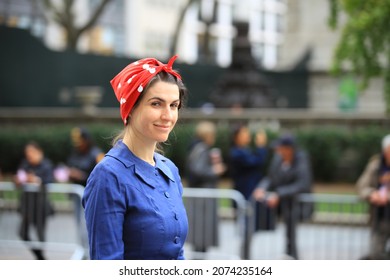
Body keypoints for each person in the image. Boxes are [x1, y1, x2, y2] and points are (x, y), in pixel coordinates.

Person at [82, 55, 189, 260]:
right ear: (130, 108)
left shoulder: (170, 170)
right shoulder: (108, 176)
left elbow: (177, 253)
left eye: (174, 105)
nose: (168, 116)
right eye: (156, 104)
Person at [253, 134, 312, 259]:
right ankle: (288, 256)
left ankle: (293, 258)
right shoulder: (278, 159)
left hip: (295, 204)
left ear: (289, 149)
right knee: (286, 235)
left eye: (280, 148)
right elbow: (270, 177)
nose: (278, 151)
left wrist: (279, 193)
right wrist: (261, 188)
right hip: (282, 205)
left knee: (291, 236)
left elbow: (303, 184)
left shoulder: (301, 160)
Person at [185, 121, 226, 254]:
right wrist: (215, 171)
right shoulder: (201, 149)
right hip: (203, 199)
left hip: (200, 196)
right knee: (202, 233)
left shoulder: (195, 147)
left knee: (200, 234)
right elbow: (199, 170)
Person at [14, 141, 54, 260]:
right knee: (22, 233)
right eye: (27, 153)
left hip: (40, 205)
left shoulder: (46, 164)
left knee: (40, 234)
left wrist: (35, 180)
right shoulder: (25, 164)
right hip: (27, 205)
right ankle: (40, 257)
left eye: (31, 152)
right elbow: (19, 178)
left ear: (39, 152)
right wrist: (17, 180)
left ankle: (41, 258)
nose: (29, 155)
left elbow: (48, 181)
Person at [356, 134, 390, 259]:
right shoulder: (375, 165)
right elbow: (361, 186)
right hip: (379, 218)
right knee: (375, 253)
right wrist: (372, 193)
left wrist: (387, 197)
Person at [230, 124, 268, 200]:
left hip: (252, 192)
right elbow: (256, 162)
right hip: (244, 193)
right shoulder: (236, 153)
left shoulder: (247, 150)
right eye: (244, 132)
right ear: (236, 137)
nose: (248, 134)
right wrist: (261, 147)